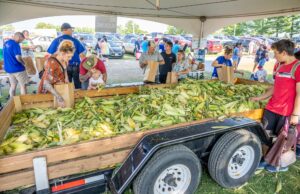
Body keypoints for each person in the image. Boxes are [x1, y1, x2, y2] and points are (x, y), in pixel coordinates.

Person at [251, 39, 300, 172]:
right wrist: (259, 97)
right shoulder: (279, 66)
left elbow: (299, 93)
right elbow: (275, 87)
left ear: (284, 52)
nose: (274, 56)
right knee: (266, 135)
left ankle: (279, 163)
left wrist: (296, 114)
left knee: (283, 139)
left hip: (286, 111)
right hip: (272, 107)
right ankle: (266, 159)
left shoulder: (297, 67)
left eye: (276, 53)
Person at [47, 23, 86, 89]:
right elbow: (82, 55)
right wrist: (85, 67)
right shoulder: (75, 41)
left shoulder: (56, 40)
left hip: (62, 66)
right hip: (75, 66)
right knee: (78, 85)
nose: (72, 31)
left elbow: (50, 55)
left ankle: (68, 96)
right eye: (71, 29)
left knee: (66, 86)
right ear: (67, 29)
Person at [38, 40, 75, 108]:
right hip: (50, 91)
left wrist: (66, 81)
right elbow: (46, 84)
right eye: (69, 56)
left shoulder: (65, 60)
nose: (70, 58)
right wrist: (59, 98)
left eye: (71, 56)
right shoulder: (51, 63)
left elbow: (65, 69)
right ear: (62, 53)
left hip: (59, 89)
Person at [3, 32, 29, 97]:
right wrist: (24, 63)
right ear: (19, 37)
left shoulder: (6, 43)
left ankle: (12, 101)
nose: (21, 42)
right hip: (18, 69)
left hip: (9, 69)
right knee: (23, 86)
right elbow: (18, 57)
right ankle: (24, 102)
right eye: (21, 40)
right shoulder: (15, 44)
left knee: (13, 86)